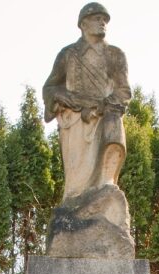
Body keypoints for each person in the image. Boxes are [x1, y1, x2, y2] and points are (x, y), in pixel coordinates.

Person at [42, 2, 130, 198]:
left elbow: (123, 92)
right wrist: (65, 98)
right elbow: (49, 88)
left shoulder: (115, 55)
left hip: (104, 117)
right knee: (76, 190)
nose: (102, 23)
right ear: (83, 24)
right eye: (97, 18)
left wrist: (100, 108)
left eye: (105, 20)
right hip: (75, 123)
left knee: (113, 133)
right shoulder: (67, 55)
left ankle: (106, 188)